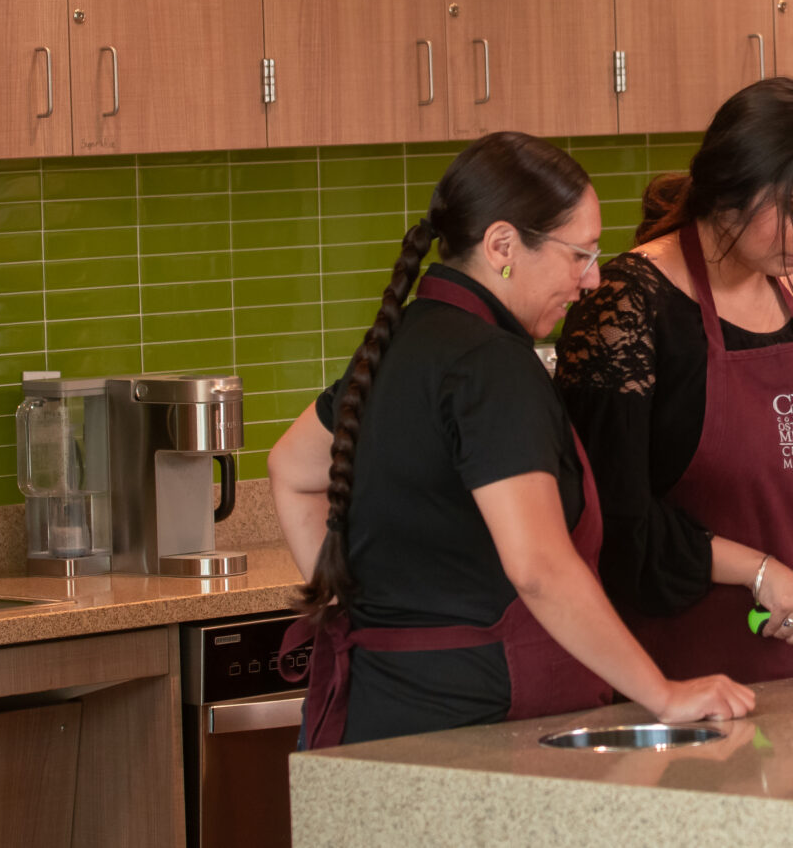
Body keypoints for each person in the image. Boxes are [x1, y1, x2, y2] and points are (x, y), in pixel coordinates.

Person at [269, 133, 753, 746]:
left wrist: (362, 616)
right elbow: (539, 567)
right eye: (579, 254)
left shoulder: (402, 340)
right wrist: (662, 693)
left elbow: (290, 468)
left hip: (377, 710)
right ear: (503, 245)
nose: (592, 279)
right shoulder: (492, 366)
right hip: (477, 729)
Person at [555, 79, 793, 681]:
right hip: (691, 687)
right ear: (731, 187)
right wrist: (760, 571)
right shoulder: (627, 307)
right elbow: (616, 521)